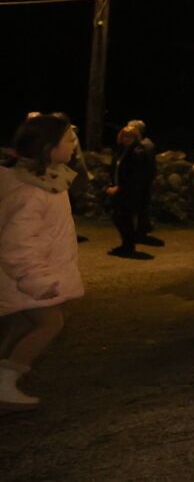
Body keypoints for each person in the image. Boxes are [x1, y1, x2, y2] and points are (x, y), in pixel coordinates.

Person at [0, 114, 86, 406]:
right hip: (23, 279)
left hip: (17, 279)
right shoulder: (33, 191)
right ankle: (5, 385)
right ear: (49, 147)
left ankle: (4, 381)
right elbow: (17, 244)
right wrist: (37, 280)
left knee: (23, 327)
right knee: (50, 323)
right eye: (69, 140)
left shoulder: (46, 180)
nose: (74, 145)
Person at [107, 123, 156, 259]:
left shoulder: (137, 152)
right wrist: (111, 184)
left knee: (124, 219)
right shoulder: (121, 151)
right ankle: (127, 244)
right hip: (119, 190)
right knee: (119, 217)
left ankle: (128, 246)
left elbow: (136, 175)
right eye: (124, 136)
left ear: (136, 137)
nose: (126, 139)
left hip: (129, 192)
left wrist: (120, 187)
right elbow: (115, 169)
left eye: (129, 136)